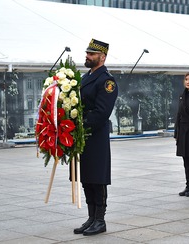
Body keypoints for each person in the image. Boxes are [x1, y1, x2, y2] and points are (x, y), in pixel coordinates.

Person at [74, 39, 118, 235]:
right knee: (86, 177)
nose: (87, 56)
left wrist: (79, 124)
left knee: (97, 178)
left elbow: (101, 112)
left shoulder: (106, 81)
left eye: (92, 54)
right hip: (82, 136)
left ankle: (100, 220)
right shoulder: (86, 77)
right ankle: (91, 217)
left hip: (95, 137)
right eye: (87, 53)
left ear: (102, 57)